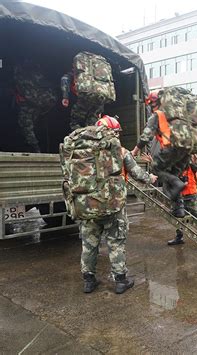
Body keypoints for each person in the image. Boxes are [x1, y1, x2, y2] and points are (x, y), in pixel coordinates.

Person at [80, 115, 157, 294]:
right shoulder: (121, 152)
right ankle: (120, 281)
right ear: (113, 133)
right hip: (113, 206)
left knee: (89, 244)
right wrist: (151, 178)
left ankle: (89, 281)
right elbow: (138, 174)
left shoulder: (84, 151)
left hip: (88, 205)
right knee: (116, 242)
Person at [131, 88, 197, 202]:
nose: (151, 108)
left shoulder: (158, 114)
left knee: (156, 168)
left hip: (173, 147)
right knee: (172, 175)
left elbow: (146, 137)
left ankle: (177, 185)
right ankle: (179, 208)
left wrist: (135, 151)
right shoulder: (179, 115)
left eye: (151, 105)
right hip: (186, 149)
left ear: (155, 103)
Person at [13, 61, 57, 152]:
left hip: (30, 106)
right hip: (38, 106)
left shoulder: (22, 76)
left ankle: (35, 150)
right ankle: (35, 149)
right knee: (31, 129)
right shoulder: (38, 76)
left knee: (27, 129)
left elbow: (24, 92)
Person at [167, 154, 197, 246]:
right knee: (179, 218)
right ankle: (179, 237)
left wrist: (195, 162)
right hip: (180, 196)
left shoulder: (188, 159)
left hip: (192, 195)